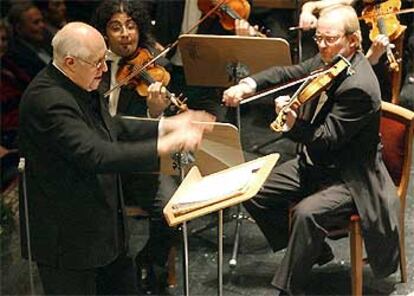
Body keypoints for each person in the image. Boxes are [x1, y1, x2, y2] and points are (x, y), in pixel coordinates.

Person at [18, 21, 211, 295]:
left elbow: (112, 126)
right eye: (98, 62)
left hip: (105, 230)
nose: (105, 69)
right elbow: (96, 155)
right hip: (68, 238)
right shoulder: (48, 101)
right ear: (70, 61)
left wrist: (166, 126)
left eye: (105, 59)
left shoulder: (79, 81)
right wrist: (167, 144)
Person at [222, 5, 400, 295]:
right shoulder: (329, 60)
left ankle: (288, 288)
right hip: (316, 163)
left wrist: (293, 125)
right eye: (318, 38)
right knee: (252, 190)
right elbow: (289, 72)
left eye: (329, 39)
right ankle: (316, 252)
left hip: (349, 177)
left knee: (306, 214)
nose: (322, 46)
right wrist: (249, 84)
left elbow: (326, 139)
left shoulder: (359, 87)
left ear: (353, 41)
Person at [91, 1, 188, 293]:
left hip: (141, 163)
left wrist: (154, 113)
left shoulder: (158, 68)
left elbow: (169, 127)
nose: (124, 34)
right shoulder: (91, 66)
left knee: (173, 208)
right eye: (116, 27)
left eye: (131, 26)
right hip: (100, 160)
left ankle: (149, 262)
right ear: (104, 32)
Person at [7, 2, 52, 79]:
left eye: (42, 20)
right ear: (19, 28)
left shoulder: (48, 42)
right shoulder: (17, 57)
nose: (42, 25)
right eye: (36, 22)